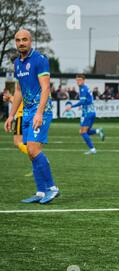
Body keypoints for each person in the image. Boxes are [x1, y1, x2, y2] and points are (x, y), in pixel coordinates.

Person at [4, 29, 60, 204]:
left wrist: (39, 113)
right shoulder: (17, 64)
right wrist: (11, 115)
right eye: (18, 40)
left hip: (40, 111)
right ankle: (41, 192)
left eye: (25, 40)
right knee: (30, 151)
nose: (21, 43)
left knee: (34, 150)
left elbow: (45, 88)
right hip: (27, 111)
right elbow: (19, 90)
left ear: (31, 41)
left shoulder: (40, 60)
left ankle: (52, 188)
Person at [65, 74, 105, 155]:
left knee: (82, 132)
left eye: (80, 80)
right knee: (87, 131)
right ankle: (98, 131)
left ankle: (92, 149)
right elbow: (86, 101)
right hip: (90, 112)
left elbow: (82, 102)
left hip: (87, 113)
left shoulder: (83, 89)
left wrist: (71, 106)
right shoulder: (85, 87)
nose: (78, 82)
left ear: (83, 80)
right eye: (77, 80)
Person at [3, 91, 28, 155]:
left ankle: (34, 155)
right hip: (27, 116)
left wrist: (9, 97)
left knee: (17, 142)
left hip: (21, 116)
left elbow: (17, 101)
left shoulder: (22, 89)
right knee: (26, 142)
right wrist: (9, 98)